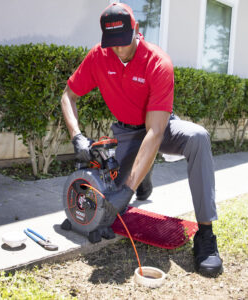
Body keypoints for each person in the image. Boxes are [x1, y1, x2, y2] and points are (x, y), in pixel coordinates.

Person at [61, 2, 223, 276]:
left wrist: (127, 189)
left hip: (160, 127)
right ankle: (143, 174)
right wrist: (76, 135)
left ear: (136, 29)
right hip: (125, 133)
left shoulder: (158, 62)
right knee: (109, 209)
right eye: (113, 43)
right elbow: (68, 95)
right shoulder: (99, 56)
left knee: (197, 137)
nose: (119, 49)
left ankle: (206, 236)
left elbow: (156, 132)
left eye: (124, 41)